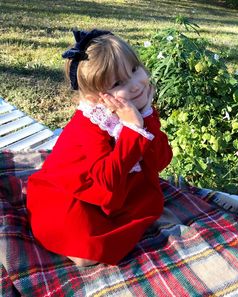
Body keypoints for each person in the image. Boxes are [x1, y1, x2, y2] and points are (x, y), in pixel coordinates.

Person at [26, 29, 173, 267]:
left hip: (120, 191)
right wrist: (133, 129)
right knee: (88, 251)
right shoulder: (91, 123)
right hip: (79, 189)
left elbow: (161, 161)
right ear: (96, 98)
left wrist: (147, 118)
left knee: (144, 209)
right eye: (118, 83)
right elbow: (106, 182)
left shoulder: (136, 107)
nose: (136, 85)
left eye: (135, 70)